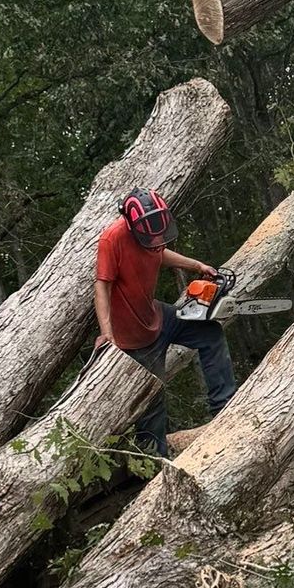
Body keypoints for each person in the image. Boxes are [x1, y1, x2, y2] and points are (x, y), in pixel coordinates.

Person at [93, 189, 237, 455]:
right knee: (151, 403)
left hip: (157, 316)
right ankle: (152, 464)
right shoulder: (111, 239)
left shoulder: (149, 232)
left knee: (209, 333)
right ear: (133, 224)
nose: (156, 239)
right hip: (133, 339)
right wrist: (107, 333)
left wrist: (197, 266)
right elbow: (102, 286)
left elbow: (158, 253)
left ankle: (225, 406)